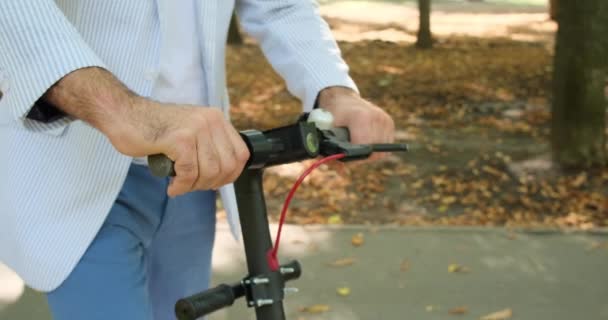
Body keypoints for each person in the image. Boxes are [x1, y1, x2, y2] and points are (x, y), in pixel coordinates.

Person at [0, 1, 395, 319]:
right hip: (76, 164)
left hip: (197, 171)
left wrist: (334, 90)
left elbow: (281, 6)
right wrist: (120, 109)